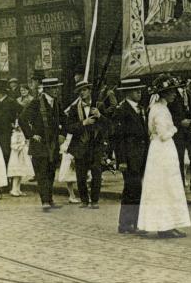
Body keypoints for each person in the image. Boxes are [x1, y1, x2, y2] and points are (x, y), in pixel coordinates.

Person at [138, 77, 191, 238]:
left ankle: (169, 224)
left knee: (168, 185)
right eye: (171, 92)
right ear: (164, 93)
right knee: (164, 185)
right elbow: (163, 134)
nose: (174, 94)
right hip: (162, 149)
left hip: (162, 149)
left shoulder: (161, 108)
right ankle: (164, 225)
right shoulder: (159, 110)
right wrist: (174, 128)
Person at [20, 77, 64, 211]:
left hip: (53, 144)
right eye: (53, 88)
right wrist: (32, 134)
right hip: (39, 145)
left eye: (57, 87)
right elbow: (22, 118)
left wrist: (63, 134)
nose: (56, 90)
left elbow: (63, 119)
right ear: (47, 90)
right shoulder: (36, 103)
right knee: (42, 173)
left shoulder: (56, 103)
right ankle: (45, 201)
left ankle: (50, 200)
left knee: (51, 173)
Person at [112, 78, 148, 234]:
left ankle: (132, 222)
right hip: (129, 156)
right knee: (132, 189)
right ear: (127, 93)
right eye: (136, 90)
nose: (139, 93)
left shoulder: (140, 109)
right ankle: (126, 223)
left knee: (136, 189)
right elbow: (118, 138)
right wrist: (121, 160)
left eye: (140, 90)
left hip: (140, 155)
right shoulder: (121, 110)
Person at [66, 80, 106, 209]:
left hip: (95, 145)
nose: (81, 93)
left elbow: (108, 126)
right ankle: (84, 200)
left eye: (84, 90)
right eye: (79, 91)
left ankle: (94, 200)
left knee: (96, 173)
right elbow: (69, 127)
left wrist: (100, 116)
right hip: (80, 145)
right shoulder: (74, 108)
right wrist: (84, 123)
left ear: (89, 90)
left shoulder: (99, 105)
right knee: (81, 175)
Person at [169, 79, 191, 193]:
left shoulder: (189, 93)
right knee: (179, 157)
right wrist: (179, 122)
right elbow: (167, 114)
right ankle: (179, 185)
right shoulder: (172, 95)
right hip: (178, 131)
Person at [0, 81, 22, 197]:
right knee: (0, 157)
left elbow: (22, 111)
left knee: (6, 156)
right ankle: (3, 182)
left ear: (0, 92)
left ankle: (7, 183)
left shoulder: (10, 102)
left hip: (7, 134)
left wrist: (15, 124)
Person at [7, 123, 34, 197]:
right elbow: (13, 145)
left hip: (23, 154)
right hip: (17, 155)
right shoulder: (15, 134)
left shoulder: (22, 134)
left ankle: (18, 189)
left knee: (21, 173)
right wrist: (21, 145)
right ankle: (14, 189)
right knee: (17, 173)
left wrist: (26, 144)